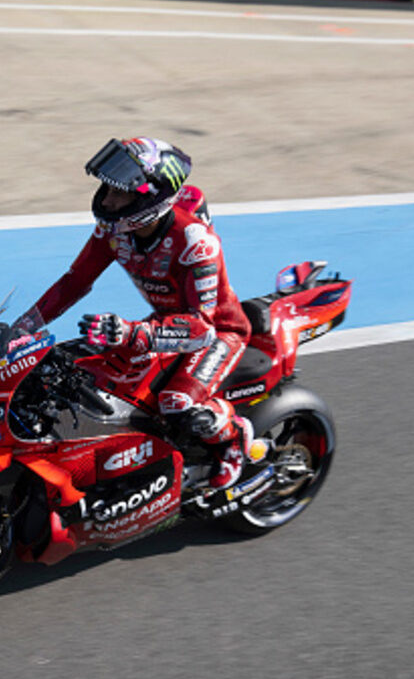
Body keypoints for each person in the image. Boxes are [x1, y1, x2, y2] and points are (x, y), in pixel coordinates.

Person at [26, 136, 254, 490]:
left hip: (218, 331)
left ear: (150, 198)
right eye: (106, 189)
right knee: (76, 373)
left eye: (119, 194)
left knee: (175, 403)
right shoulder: (115, 231)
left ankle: (233, 438)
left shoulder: (196, 241)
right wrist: (23, 328)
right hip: (160, 326)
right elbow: (74, 282)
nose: (107, 200)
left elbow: (202, 328)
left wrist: (132, 333)